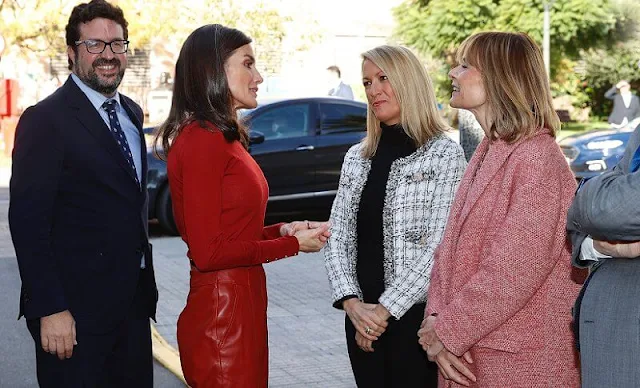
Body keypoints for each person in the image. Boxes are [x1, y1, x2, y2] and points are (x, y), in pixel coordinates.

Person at [154, 24, 331, 388]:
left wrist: (283, 229)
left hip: (238, 306)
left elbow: (231, 232)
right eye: (247, 64)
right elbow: (208, 252)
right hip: (223, 317)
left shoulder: (221, 137)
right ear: (214, 70)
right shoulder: (203, 140)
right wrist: (293, 245)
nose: (259, 77)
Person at [418, 31, 582, 387]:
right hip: (474, 356)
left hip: (520, 363)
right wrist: (434, 318)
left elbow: (511, 271)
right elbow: (448, 254)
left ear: (499, 77)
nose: (452, 74)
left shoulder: (538, 159)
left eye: (465, 65)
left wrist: (445, 331)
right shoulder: (490, 149)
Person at [9, 1, 158, 387]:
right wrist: (51, 308)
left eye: (117, 44)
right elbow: (28, 223)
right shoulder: (45, 120)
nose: (108, 55)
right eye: (95, 45)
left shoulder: (131, 113)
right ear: (72, 53)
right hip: (73, 319)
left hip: (131, 312)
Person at [324, 45, 466, 387]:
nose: (374, 90)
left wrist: (382, 312)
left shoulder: (445, 154)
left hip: (415, 324)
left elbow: (440, 246)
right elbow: (338, 235)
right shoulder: (357, 157)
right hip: (360, 321)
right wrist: (352, 304)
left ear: (408, 80)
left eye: (383, 78)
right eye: (367, 82)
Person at [567, 98, 640, 385]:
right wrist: (598, 245)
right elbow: (583, 216)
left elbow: (606, 209)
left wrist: (589, 197)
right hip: (613, 348)